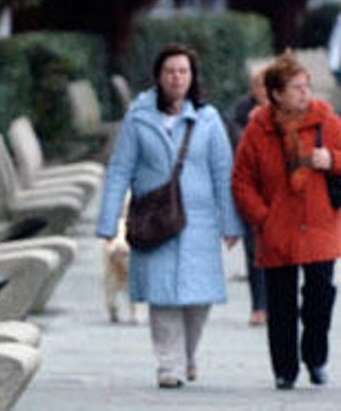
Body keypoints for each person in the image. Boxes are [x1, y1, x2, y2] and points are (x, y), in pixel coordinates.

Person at [97, 44, 243, 389]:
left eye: (183, 71)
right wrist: (107, 222)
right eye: (170, 71)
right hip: (154, 220)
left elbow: (224, 172)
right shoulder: (138, 116)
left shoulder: (208, 119)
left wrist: (230, 223)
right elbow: (120, 169)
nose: (176, 77)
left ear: (192, 77)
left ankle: (188, 355)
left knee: (198, 298)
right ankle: (169, 365)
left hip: (199, 221)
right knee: (162, 295)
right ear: (158, 76)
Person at [232, 50, 341, 390]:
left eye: (306, 86)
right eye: (296, 87)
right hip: (277, 227)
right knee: (280, 304)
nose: (305, 92)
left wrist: (332, 159)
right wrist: (262, 217)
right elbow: (242, 180)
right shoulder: (258, 129)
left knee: (320, 295)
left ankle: (316, 356)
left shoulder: (329, 122)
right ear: (276, 94)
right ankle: (285, 369)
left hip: (320, 223)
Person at [227, 69, 270, 326]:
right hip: (250, 188)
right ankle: (259, 305)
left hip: (277, 192)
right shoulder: (240, 113)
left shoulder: (288, 113)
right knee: (254, 247)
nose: (263, 91)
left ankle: (276, 303)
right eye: (258, 86)